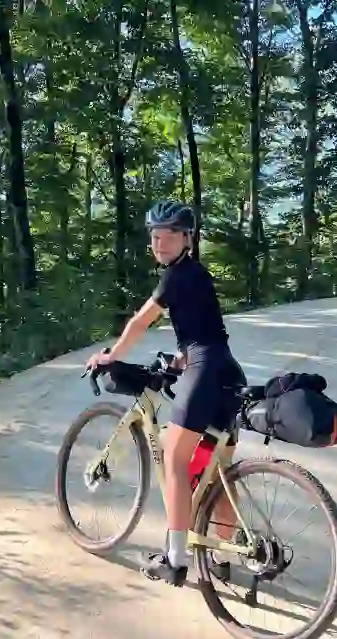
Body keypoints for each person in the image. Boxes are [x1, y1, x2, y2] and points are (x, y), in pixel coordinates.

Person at [84, 199, 247, 585]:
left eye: (168, 237)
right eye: (155, 238)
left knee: (175, 459)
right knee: (216, 470)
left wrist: (111, 355)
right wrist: (179, 360)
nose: (160, 244)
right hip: (225, 368)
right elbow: (202, 330)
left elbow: (140, 322)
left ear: (186, 239)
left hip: (206, 371)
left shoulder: (174, 277)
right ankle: (221, 556)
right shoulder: (197, 274)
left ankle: (175, 560)